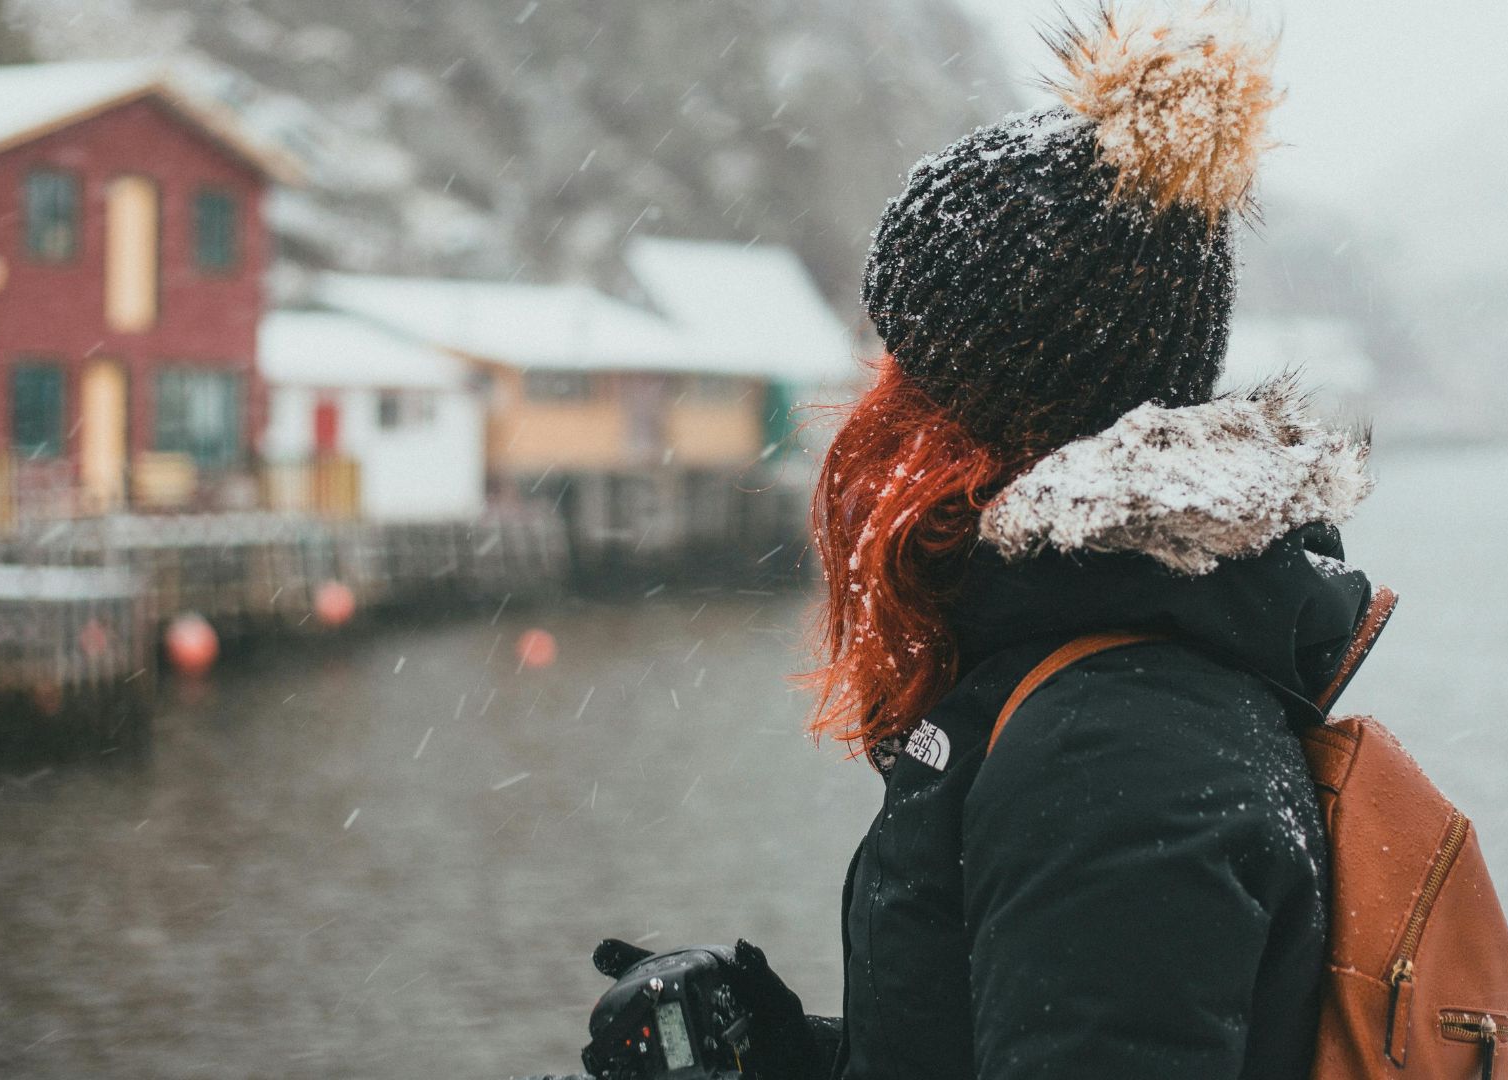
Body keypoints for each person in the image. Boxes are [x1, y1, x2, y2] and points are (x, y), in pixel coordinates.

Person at [552, 5, 1385, 1078]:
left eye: (902, 362)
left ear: (976, 419)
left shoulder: (1112, 760)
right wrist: (782, 1057)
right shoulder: (1097, 690)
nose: (868, 401)